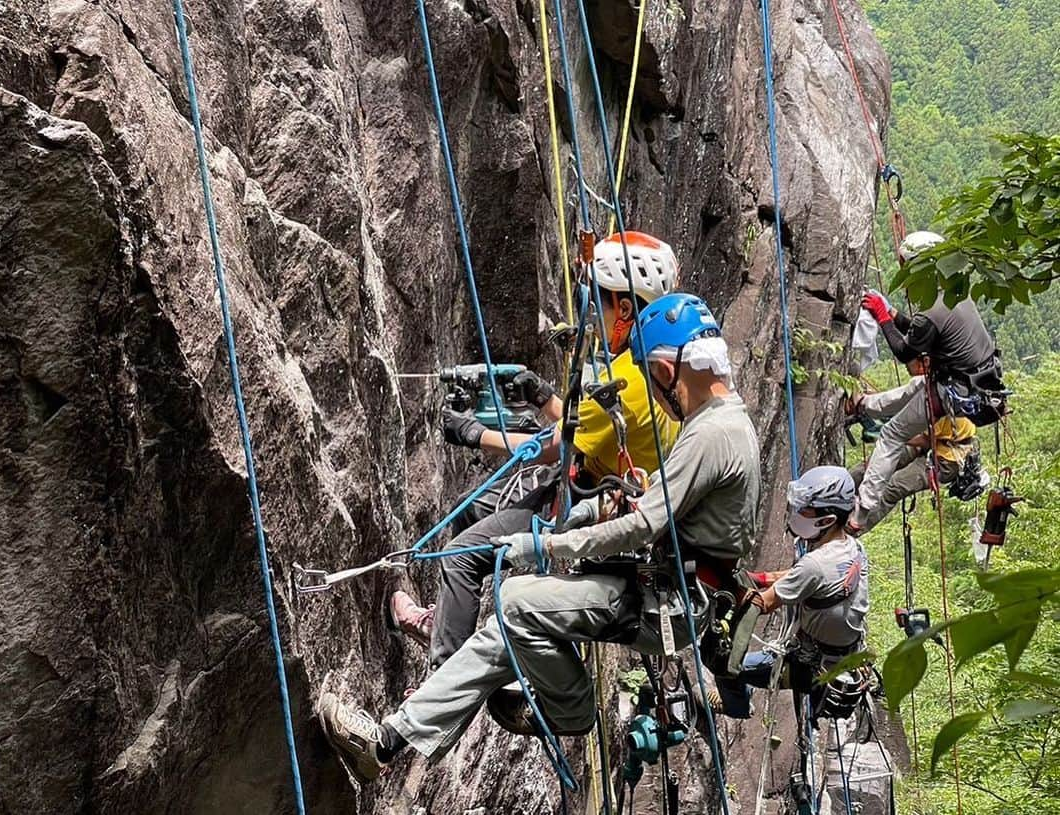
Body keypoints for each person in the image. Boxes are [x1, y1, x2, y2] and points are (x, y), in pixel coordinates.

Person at [317, 293, 761, 782]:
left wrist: (546, 545)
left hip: (664, 603)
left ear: (670, 364)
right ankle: (386, 743)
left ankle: (571, 711)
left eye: (654, 378)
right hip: (669, 598)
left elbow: (643, 524)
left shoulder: (711, 433)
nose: (657, 393)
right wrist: (591, 509)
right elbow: (654, 495)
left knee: (514, 603)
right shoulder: (727, 424)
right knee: (508, 627)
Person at [391, 232, 682, 670]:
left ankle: (441, 677)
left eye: (596, 299)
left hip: (580, 507)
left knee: (461, 560)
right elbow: (583, 429)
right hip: (580, 485)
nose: (588, 310)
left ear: (624, 309)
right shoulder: (646, 365)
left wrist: (474, 435)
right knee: (470, 513)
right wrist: (546, 399)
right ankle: (448, 621)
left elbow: (552, 448)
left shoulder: (628, 379)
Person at [849, 231, 1002, 533]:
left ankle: (861, 510)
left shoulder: (930, 310)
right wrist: (893, 315)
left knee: (892, 436)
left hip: (953, 391)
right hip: (974, 385)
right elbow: (924, 334)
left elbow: (906, 349)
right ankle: (866, 406)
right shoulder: (955, 291)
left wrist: (882, 318)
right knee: (916, 388)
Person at [710, 466, 869, 719]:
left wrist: (721, 586)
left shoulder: (814, 565)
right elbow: (804, 579)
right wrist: (760, 578)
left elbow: (762, 604)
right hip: (842, 656)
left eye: (804, 508)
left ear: (826, 520)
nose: (796, 513)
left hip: (811, 666)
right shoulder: (852, 548)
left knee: (724, 668)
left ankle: (736, 707)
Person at [847, 413, 978, 534]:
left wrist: (888, 434)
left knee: (894, 487)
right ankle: (836, 487)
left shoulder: (945, 408)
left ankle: (852, 531)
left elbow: (925, 439)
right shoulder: (927, 395)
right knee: (875, 465)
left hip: (945, 462)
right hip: (931, 444)